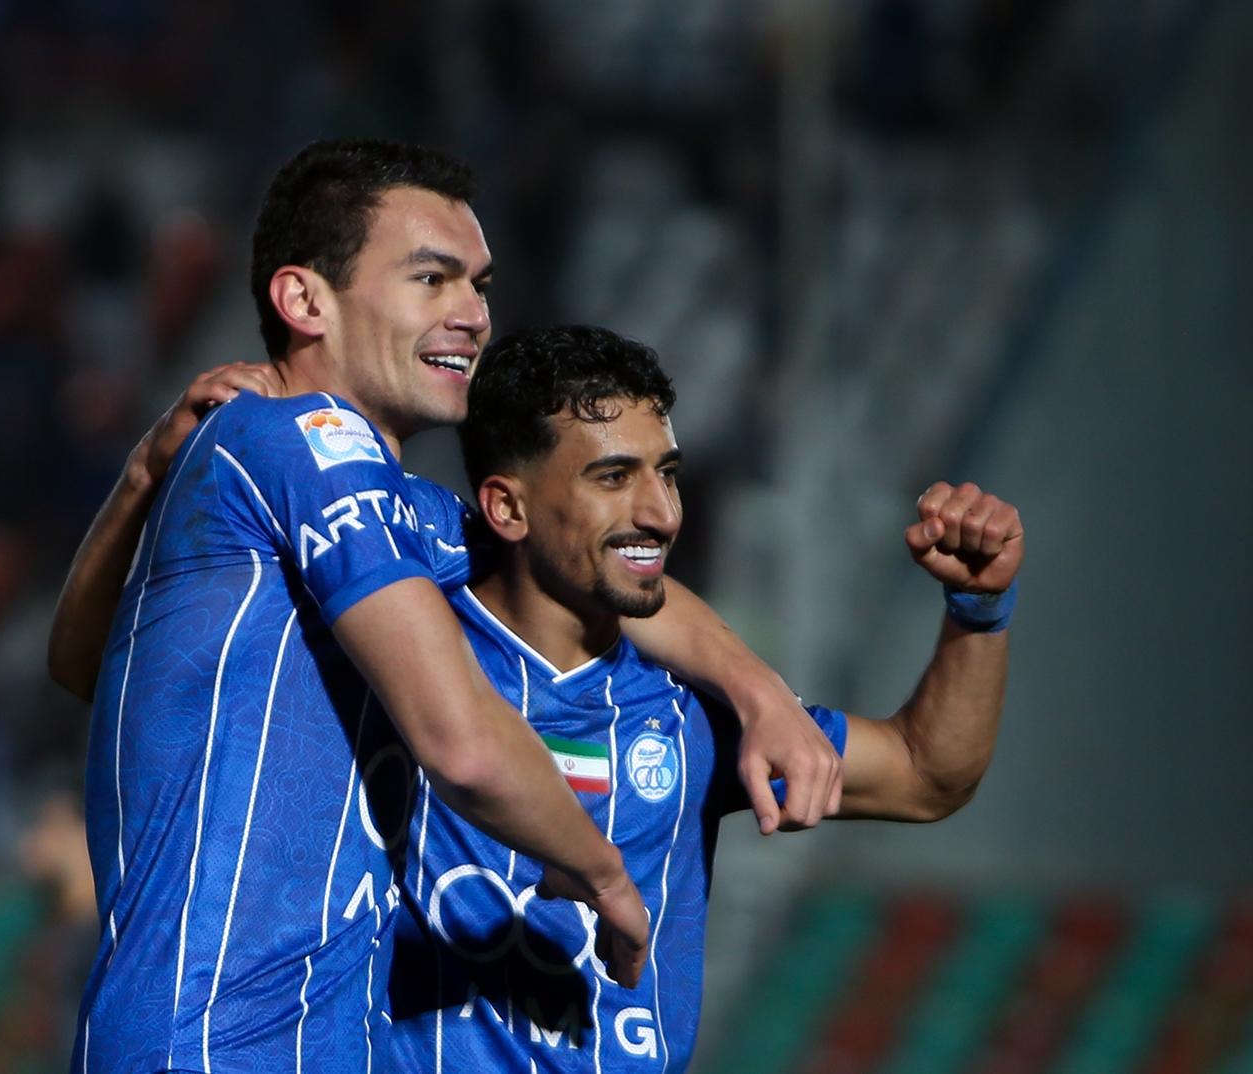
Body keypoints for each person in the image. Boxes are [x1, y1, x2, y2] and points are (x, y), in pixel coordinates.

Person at [50, 140, 844, 1074]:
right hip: (212, 1045)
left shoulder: (395, 514)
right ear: (305, 301)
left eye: (478, 284)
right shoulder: (305, 440)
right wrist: (606, 879)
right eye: (432, 279)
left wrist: (759, 692)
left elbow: (591, 569)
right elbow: (462, 744)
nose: (473, 314)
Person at [383, 324, 1019, 1071]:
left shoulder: (686, 709)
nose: (662, 513)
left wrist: (979, 609)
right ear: (507, 508)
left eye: (667, 473)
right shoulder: (391, 656)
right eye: (613, 477)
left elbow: (925, 775)